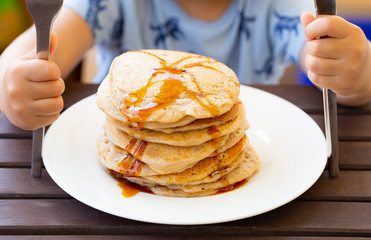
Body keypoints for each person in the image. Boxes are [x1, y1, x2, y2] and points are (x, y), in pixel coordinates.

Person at [0, 0, 370, 130]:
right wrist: (16, 85)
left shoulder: (277, 4)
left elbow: (327, 62)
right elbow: (31, 54)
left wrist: (354, 73)